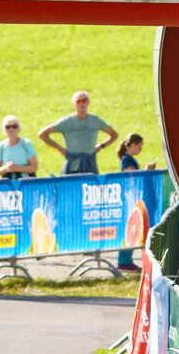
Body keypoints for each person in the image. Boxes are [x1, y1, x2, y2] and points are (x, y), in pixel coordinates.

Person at [39, 91, 117, 175]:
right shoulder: (67, 121)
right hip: (73, 161)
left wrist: (101, 146)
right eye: (78, 101)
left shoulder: (95, 120)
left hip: (90, 161)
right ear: (74, 104)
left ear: (88, 102)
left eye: (84, 100)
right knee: (70, 183)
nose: (81, 103)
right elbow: (42, 134)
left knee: (91, 183)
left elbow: (114, 135)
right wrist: (60, 148)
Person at [115, 134, 149, 272]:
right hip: (129, 198)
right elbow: (132, 175)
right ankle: (124, 261)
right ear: (133, 145)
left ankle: (126, 261)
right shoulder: (127, 160)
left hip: (131, 197)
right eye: (139, 146)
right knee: (130, 229)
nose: (141, 149)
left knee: (132, 229)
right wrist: (146, 171)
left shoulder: (128, 159)